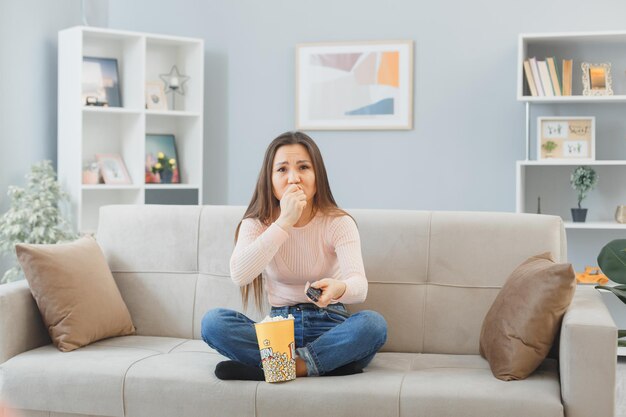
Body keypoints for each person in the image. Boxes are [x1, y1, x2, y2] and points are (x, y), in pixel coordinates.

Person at [201, 131, 387, 380]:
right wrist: (284, 222)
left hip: (330, 323)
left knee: (373, 325)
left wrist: (339, 288)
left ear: (317, 176)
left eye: (303, 167)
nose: (293, 178)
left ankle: (280, 367)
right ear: (269, 178)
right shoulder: (256, 224)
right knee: (213, 322)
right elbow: (240, 275)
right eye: (282, 170)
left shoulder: (338, 222)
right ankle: (320, 366)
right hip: (278, 328)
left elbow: (359, 286)